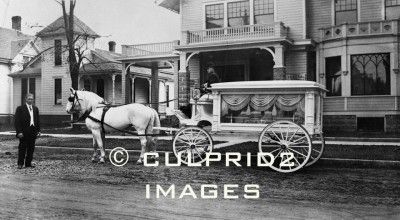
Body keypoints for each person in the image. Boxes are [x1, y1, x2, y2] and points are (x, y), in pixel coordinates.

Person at [14, 93, 41, 169]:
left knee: (31, 148)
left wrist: (38, 130)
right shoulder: (20, 108)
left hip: (33, 131)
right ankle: (20, 163)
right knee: (22, 148)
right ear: (25, 99)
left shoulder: (35, 109)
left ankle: (28, 163)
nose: (30, 100)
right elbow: (17, 121)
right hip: (24, 132)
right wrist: (19, 132)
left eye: (32, 99)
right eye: (29, 99)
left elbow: (37, 120)